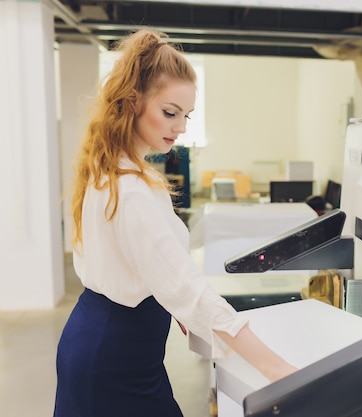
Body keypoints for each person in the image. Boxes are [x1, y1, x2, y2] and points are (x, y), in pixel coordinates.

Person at [53, 29, 297, 417]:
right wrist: (277, 369)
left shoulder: (113, 168)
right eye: (170, 112)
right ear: (132, 102)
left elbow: (147, 268)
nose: (180, 127)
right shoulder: (130, 190)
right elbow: (187, 289)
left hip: (102, 340)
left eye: (186, 115)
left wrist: (176, 304)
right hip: (115, 359)